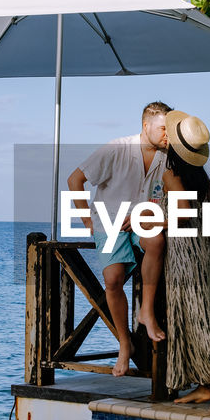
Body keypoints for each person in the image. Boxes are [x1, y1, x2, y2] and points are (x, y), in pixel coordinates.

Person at [67, 102, 171, 377]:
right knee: (112, 279)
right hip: (109, 222)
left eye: (169, 130)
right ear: (145, 126)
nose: (166, 135)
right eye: (162, 129)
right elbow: (74, 179)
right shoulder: (116, 149)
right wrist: (87, 220)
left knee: (156, 242)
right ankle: (125, 343)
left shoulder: (169, 157)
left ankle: (146, 313)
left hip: (145, 221)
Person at [159, 110, 210, 412]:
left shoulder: (170, 174)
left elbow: (179, 214)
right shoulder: (200, 175)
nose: (163, 136)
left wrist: (152, 223)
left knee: (195, 319)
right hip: (205, 248)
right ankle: (205, 387)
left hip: (183, 254)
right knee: (205, 316)